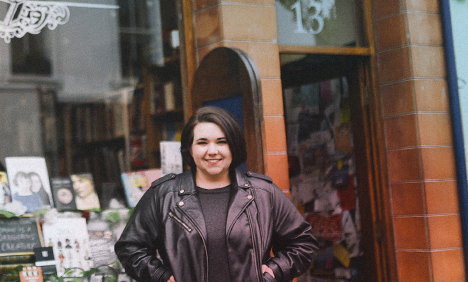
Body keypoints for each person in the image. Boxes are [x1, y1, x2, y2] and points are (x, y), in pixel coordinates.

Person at [115, 106, 317, 282]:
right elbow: (130, 247)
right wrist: (159, 276)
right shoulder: (164, 195)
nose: (212, 151)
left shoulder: (263, 194)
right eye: (202, 142)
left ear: (233, 146)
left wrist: (275, 271)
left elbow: (303, 242)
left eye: (222, 141)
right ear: (190, 149)